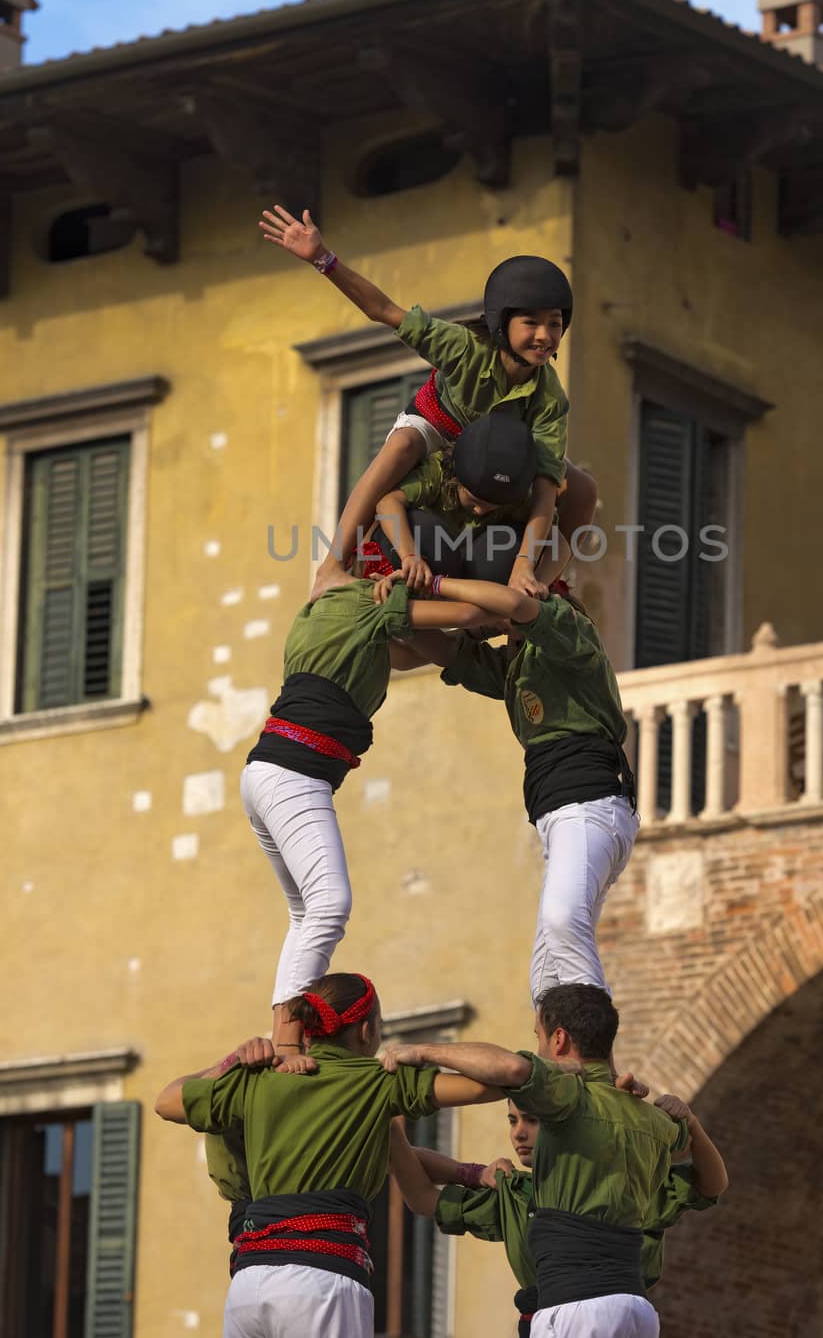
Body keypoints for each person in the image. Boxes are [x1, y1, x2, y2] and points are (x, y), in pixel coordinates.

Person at [259, 205, 596, 597]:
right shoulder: (464, 348)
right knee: (400, 445)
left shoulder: (550, 397)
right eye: (531, 323)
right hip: (440, 425)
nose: (544, 335)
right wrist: (322, 258)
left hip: (501, 447)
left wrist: (524, 565)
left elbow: (543, 488)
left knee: (582, 487)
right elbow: (383, 310)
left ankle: (542, 582)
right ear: (502, 325)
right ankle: (331, 567)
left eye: (554, 323)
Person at [242, 570, 512, 1054]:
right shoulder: (361, 601)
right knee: (329, 904)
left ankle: (280, 1032)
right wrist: (513, 611)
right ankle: (284, 1043)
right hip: (292, 774)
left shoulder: (339, 618)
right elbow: (469, 610)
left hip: (271, 772)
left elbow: (411, 651)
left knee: (306, 912)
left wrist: (473, 632)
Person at [155, 972, 506, 1338]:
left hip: (249, 1286)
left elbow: (166, 1101)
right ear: (366, 1031)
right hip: (320, 1282)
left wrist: (232, 1062)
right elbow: (499, 1079)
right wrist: (425, 1050)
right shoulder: (377, 1082)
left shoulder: (259, 1079)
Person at [379, 983, 726, 1338]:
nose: (538, 1050)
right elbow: (712, 1184)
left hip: (576, 1308)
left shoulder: (565, 1097)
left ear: (558, 1040)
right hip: (636, 1310)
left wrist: (421, 1051)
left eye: (539, 1038)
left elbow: (512, 1069)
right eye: (513, 1120)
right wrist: (691, 1123)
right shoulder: (650, 1120)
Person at [389, 572, 637, 1003]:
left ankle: (597, 1060)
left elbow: (520, 608)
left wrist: (439, 585)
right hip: (562, 815)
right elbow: (444, 650)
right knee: (546, 974)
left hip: (588, 805)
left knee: (563, 923)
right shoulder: (517, 668)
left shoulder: (571, 631)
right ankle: (559, 1061)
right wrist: (398, 601)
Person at [391, 1092, 726, 1335]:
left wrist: (692, 1125)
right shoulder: (518, 1192)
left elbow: (712, 1184)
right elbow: (422, 1196)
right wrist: (472, 1173)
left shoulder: (625, 1180)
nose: (518, 1133)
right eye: (512, 1120)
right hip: (545, 1324)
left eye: (532, 1121)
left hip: (617, 1319)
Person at [370, 412, 540, 587]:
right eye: (474, 501)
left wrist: (532, 576)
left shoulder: (517, 497)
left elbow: (557, 541)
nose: (480, 511)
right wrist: (409, 555)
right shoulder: (439, 472)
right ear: (455, 479)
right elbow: (387, 503)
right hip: (433, 560)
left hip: (479, 574)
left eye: (492, 506)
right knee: (423, 528)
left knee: (506, 542)